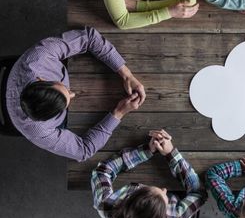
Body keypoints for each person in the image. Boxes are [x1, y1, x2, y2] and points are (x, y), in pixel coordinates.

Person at [6, 27, 146, 161]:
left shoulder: (39, 57)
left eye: (65, 91)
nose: (72, 94)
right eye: (65, 103)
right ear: (46, 118)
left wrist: (127, 75)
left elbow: (89, 37)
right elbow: (83, 151)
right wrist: (119, 112)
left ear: (41, 79)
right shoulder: (39, 130)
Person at [92, 129, 207, 218]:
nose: (165, 189)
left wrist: (146, 151)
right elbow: (199, 192)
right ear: (163, 215)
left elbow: (102, 171)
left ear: (132, 194)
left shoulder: (105, 204)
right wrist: (170, 153)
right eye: (165, 197)